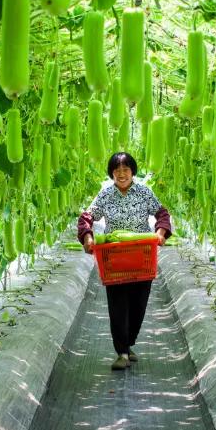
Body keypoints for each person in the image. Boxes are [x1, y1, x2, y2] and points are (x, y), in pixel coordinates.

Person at [77, 152, 172, 371]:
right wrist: (87, 236)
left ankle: (128, 345)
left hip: (142, 256)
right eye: (117, 170)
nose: (121, 174)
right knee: (118, 305)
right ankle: (121, 352)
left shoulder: (144, 192)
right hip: (115, 259)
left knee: (138, 306)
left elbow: (162, 213)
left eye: (126, 169)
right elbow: (87, 217)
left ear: (132, 172)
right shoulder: (106, 194)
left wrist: (160, 232)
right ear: (112, 173)